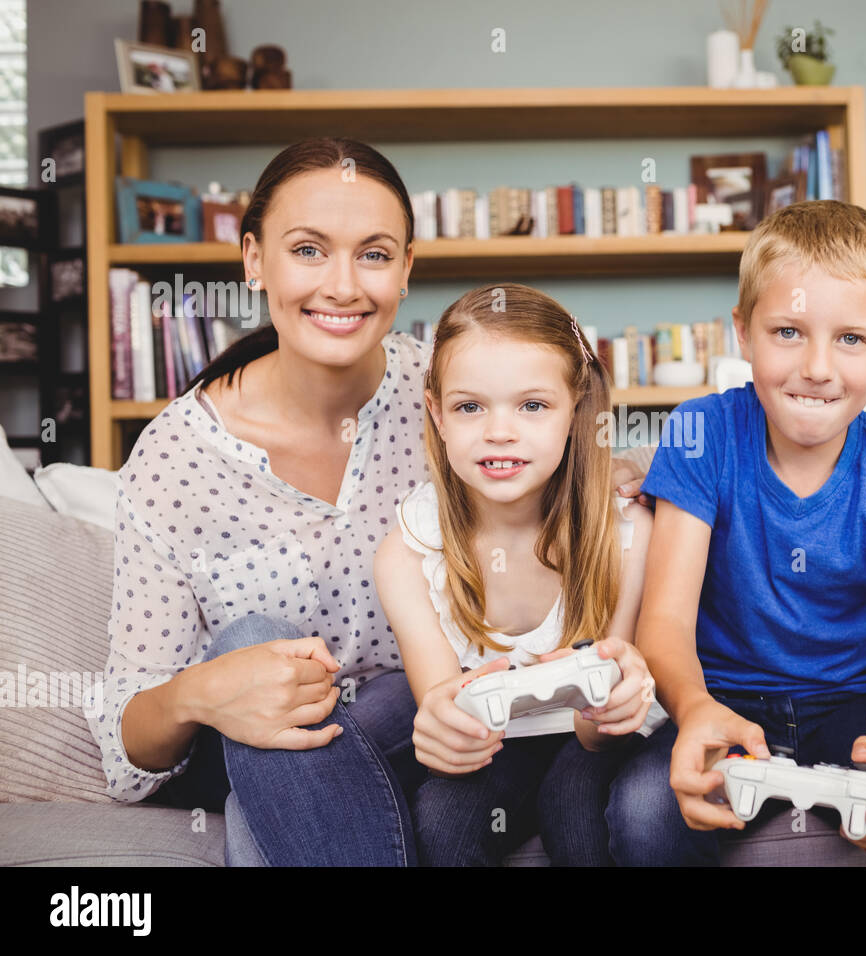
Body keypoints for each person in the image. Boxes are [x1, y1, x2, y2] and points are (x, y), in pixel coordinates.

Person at [84, 138, 640, 866]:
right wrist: (198, 694)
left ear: (406, 269)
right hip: (266, 741)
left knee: (388, 710)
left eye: (374, 255)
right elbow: (128, 751)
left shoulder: (451, 394)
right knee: (251, 639)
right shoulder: (174, 459)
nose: (342, 285)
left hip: (430, 722)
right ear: (253, 259)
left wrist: (615, 467)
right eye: (308, 250)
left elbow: (556, 440)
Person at [605, 200, 866, 865]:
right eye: (787, 332)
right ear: (743, 333)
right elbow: (663, 622)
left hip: (854, 706)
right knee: (639, 813)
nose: (817, 366)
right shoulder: (700, 433)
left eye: (851, 339)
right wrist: (694, 709)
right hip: (726, 700)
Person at [374, 282, 661, 866]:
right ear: (437, 413)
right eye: (469, 406)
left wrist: (608, 707)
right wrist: (441, 735)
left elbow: (600, 727)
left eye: (532, 406)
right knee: (441, 820)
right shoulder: (409, 552)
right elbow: (446, 713)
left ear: (575, 410)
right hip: (495, 744)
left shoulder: (624, 531)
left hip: (589, 740)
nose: (498, 431)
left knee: (574, 810)